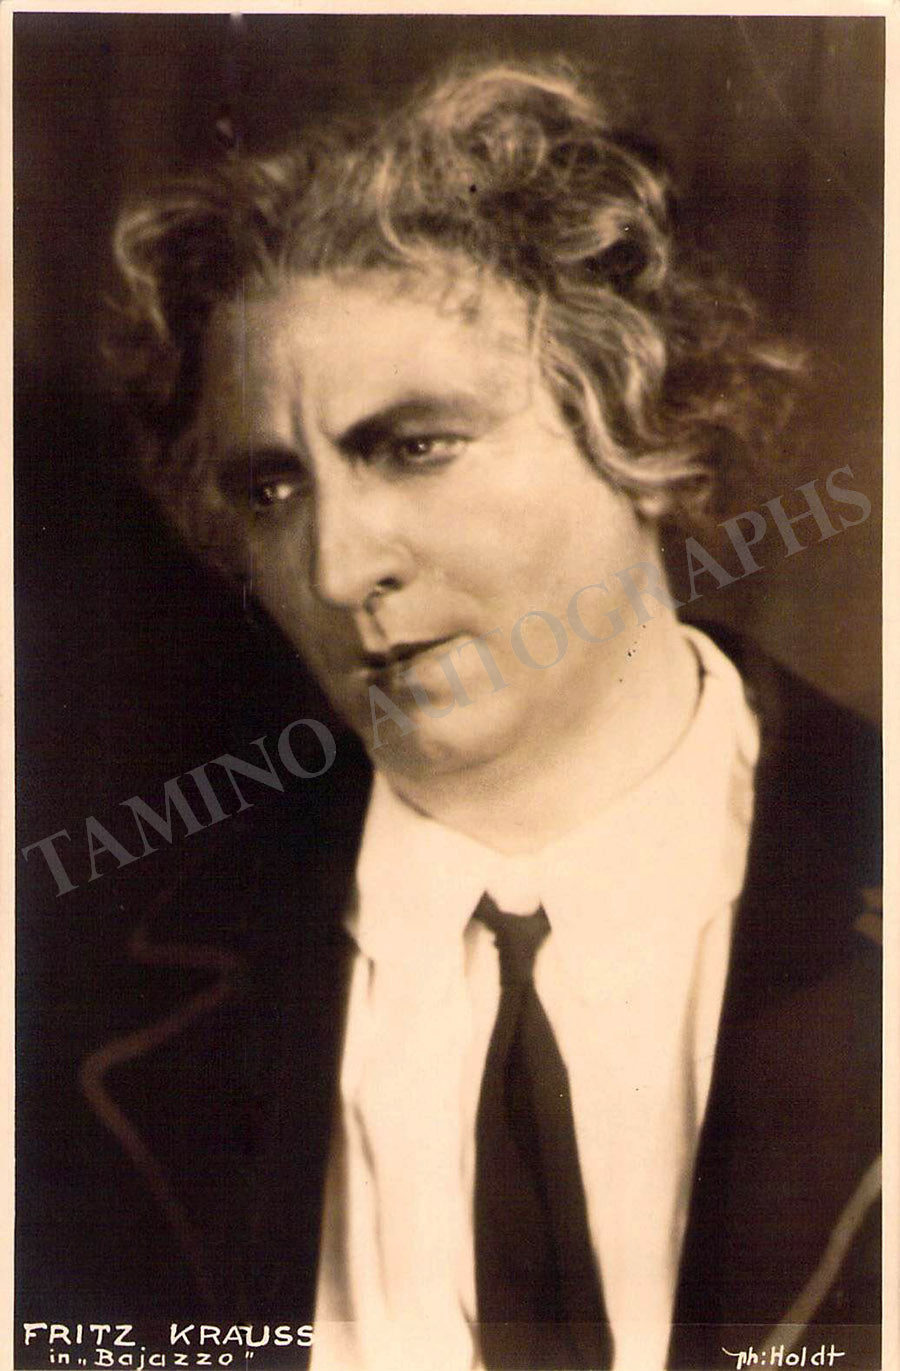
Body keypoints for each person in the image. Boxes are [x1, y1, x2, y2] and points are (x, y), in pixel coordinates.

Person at [57, 58, 882, 1371]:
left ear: (635, 415)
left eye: (416, 446)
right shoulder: (85, 999)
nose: (339, 571)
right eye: (273, 491)